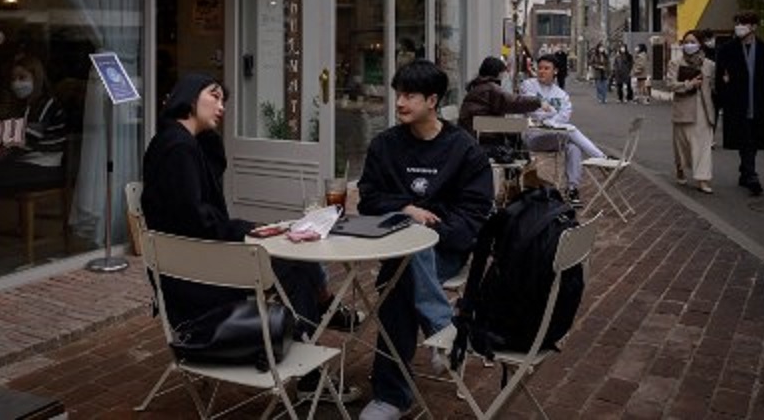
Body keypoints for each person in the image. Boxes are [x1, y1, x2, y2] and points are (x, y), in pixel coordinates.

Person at [142, 74, 361, 404]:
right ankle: (314, 350)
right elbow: (196, 219)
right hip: (196, 277)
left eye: (224, 100)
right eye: (214, 97)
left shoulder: (178, 142)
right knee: (291, 262)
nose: (222, 106)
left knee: (291, 252)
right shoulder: (178, 148)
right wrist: (249, 229)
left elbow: (199, 207)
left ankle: (320, 312)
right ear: (188, 98)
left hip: (191, 267)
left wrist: (250, 228)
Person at [357, 60, 493, 420]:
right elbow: (368, 197)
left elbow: (476, 214)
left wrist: (433, 233)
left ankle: (391, 397)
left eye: (409, 95)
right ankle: (442, 327)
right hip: (397, 245)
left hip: (447, 252)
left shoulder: (464, 150)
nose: (400, 102)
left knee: (398, 277)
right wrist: (406, 208)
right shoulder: (385, 145)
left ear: (432, 100)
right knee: (404, 260)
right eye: (398, 94)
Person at [0, 54, 68, 271]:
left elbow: (22, 142)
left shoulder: (45, 103)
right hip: (29, 166)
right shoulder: (26, 106)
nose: (17, 83)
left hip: (45, 170)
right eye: (13, 78)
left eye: (22, 77)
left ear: (36, 77)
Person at [520, 54, 606, 207]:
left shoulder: (561, 94)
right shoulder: (528, 86)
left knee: (574, 147)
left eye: (546, 68)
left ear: (555, 71)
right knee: (571, 130)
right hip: (533, 137)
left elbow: (564, 116)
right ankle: (601, 158)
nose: (542, 71)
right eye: (539, 68)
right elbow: (533, 111)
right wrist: (552, 115)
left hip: (556, 137)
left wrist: (548, 117)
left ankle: (572, 189)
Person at [714, 11, 764, 195]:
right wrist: (723, 98)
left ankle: (745, 170)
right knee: (745, 138)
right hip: (737, 103)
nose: (739, 27)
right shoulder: (727, 49)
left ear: (753, 27)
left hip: (760, 103)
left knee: (755, 138)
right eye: (737, 23)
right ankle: (751, 175)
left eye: (743, 24)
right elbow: (719, 78)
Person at [667, 31, 716, 193]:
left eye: (692, 41)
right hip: (683, 110)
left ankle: (703, 179)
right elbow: (671, 84)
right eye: (686, 42)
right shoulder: (675, 63)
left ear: (700, 44)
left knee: (703, 147)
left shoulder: (709, 64)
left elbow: (714, 86)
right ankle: (680, 168)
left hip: (704, 110)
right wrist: (689, 84)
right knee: (682, 146)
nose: (689, 45)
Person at [458, 55, 543, 139]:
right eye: (502, 73)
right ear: (497, 72)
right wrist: (538, 102)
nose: (503, 76)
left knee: (520, 125)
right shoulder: (491, 88)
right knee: (523, 126)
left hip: (473, 128)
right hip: (481, 132)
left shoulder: (478, 85)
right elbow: (513, 102)